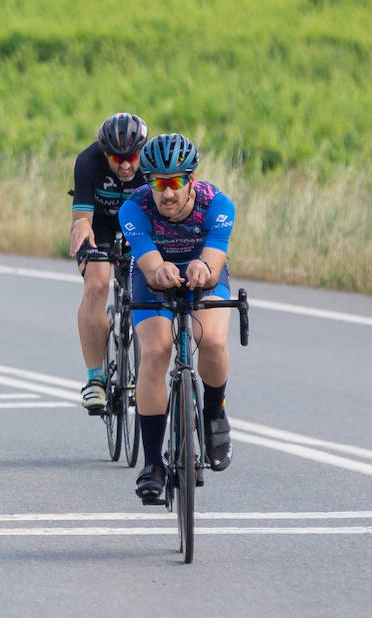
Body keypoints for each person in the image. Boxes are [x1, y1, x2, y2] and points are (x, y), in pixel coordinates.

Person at [117, 133, 237, 504]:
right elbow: (149, 265)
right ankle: (152, 463)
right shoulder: (133, 209)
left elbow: (215, 264)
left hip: (203, 275)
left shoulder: (218, 205)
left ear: (191, 179)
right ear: (148, 183)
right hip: (155, 280)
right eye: (157, 184)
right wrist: (159, 270)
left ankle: (215, 414)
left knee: (214, 342)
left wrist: (203, 266)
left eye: (175, 183)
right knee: (155, 352)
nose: (166, 193)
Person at [68, 112, 148, 413]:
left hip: (138, 227)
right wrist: (82, 229)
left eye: (131, 157)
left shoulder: (150, 165)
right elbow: (83, 219)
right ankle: (96, 380)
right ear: (105, 153)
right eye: (117, 158)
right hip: (98, 226)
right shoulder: (88, 161)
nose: (126, 165)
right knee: (97, 285)